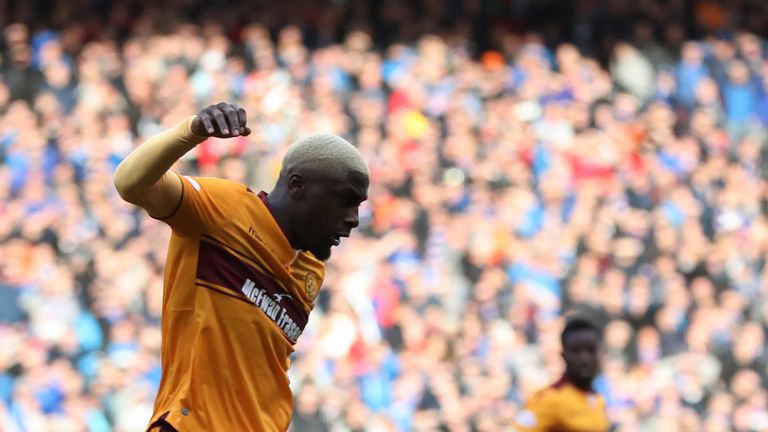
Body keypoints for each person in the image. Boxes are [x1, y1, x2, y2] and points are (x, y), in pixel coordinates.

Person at [113, 102, 370, 432]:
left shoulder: (310, 272)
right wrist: (191, 131)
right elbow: (130, 184)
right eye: (345, 201)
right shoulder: (222, 210)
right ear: (296, 185)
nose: (354, 220)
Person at [514, 317, 611, 432]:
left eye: (591, 350)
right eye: (576, 351)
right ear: (564, 355)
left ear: (601, 354)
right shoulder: (549, 398)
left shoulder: (598, 400)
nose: (584, 358)